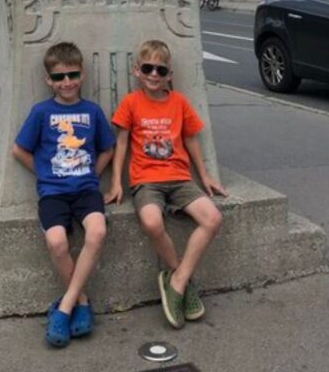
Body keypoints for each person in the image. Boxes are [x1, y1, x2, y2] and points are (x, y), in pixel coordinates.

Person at [105, 39, 227, 329]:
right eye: (148, 68)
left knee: (213, 218)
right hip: (146, 181)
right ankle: (178, 274)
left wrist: (205, 175)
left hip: (180, 178)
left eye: (161, 70)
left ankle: (177, 282)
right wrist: (115, 183)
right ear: (137, 70)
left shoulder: (179, 102)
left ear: (169, 75)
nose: (154, 75)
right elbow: (120, 143)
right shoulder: (131, 103)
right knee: (151, 222)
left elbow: (191, 139)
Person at [12, 41, 115, 348]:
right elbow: (19, 149)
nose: (66, 82)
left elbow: (108, 148)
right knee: (57, 241)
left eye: (72, 75)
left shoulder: (92, 112)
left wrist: (93, 174)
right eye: (59, 77)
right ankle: (81, 301)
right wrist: (44, 173)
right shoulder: (42, 113)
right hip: (53, 193)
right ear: (49, 81)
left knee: (96, 232)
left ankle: (64, 308)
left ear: (81, 75)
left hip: (86, 190)